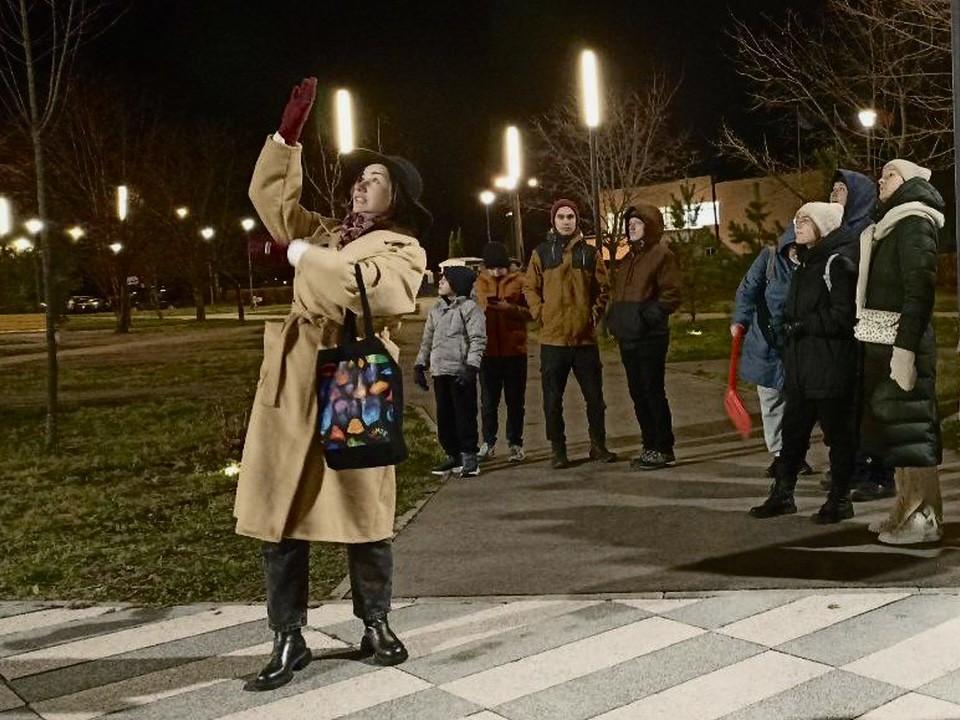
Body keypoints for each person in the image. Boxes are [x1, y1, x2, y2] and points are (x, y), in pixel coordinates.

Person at [234, 77, 428, 692]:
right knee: (280, 508)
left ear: (396, 198)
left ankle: (375, 622)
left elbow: (366, 287)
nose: (359, 184)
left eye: (375, 179)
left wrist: (295, 259)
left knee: (364, 508)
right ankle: (287, 636)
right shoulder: (325, 234)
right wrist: (286, 137)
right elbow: (277, 209)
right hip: (295, 381)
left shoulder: (405, 247)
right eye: (359, 177)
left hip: (353, 380)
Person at [749, 202, 859, 523]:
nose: (797, 225)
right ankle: (783, 495)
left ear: (824, 226)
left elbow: (843, 315)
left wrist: (802, 325)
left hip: (829, 364)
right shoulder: (805, 262)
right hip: (801, 366)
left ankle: (839, 499)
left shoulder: (838, 262)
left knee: (837, 436)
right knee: (793, 433)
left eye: (806, 220)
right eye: (796, 219)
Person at [856, 159, 945, 544]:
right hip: (883, 339)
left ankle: (923, 519)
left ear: (908, 181)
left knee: (912, 434)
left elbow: (919, 290)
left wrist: (905, 348)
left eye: (890, 174)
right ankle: (903, 511)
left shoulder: (914, 222)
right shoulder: (891, 224)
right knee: (896, 433)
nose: (881, 178)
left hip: (902, 342)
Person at [524, 198, 615, 469]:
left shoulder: (590, 254)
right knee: (552, 400)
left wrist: (593, 315)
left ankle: (598, 446)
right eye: (561, 217)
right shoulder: (541, 253)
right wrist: (540, 313)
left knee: (595, 399)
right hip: (553, 341)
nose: (566, 221)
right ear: (553, 221)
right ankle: (558, 450)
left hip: (584, 340)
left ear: (577, 221)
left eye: (570, 217)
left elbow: (604, 289)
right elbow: (529, 287)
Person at [825, 170, 896, 501]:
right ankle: (854, 463)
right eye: (833, 188)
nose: (834, 194)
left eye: (842, 189)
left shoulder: (867, 232)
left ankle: (880, 471)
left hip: (869, 327)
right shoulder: (835, 232)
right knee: (848, 404)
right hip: (843, 329)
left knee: (873, 403)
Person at [606, 205, 681, 470]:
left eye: (637, 223)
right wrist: (613, 318)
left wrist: (644, 318)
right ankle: (649, 445)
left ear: (650, 225)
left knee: (652, 391)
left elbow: (671, 296)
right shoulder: (629, 257)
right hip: (629, 337)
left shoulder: (662, 255)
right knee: (638, 393)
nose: (631, 227)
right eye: (629, 223)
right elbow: (620, 294)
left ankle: (663, 447)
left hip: (650, 338)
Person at [414, 265, 487, 477]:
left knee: (464, 415)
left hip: (460, 372)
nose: (440, 282)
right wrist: (420, 364)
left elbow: (478, 339)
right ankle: (453, 455)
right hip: (440, 371)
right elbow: (427, 339)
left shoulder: (470, 309)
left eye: (445, 280)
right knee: (444, 416)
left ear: (457, 285)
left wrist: (472, 367)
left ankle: (470, 457)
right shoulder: (436, 309)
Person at [475, 240, 530, 463]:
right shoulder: (478, 283)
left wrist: (512, 309)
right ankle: (488, 442)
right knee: (489, 401)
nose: (496, 272)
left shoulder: (520, 282)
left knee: (515, 401)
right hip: (487, 353)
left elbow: (533, 312)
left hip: (514, 351)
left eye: (500, 267)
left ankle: (516, 443)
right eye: (492, 267)